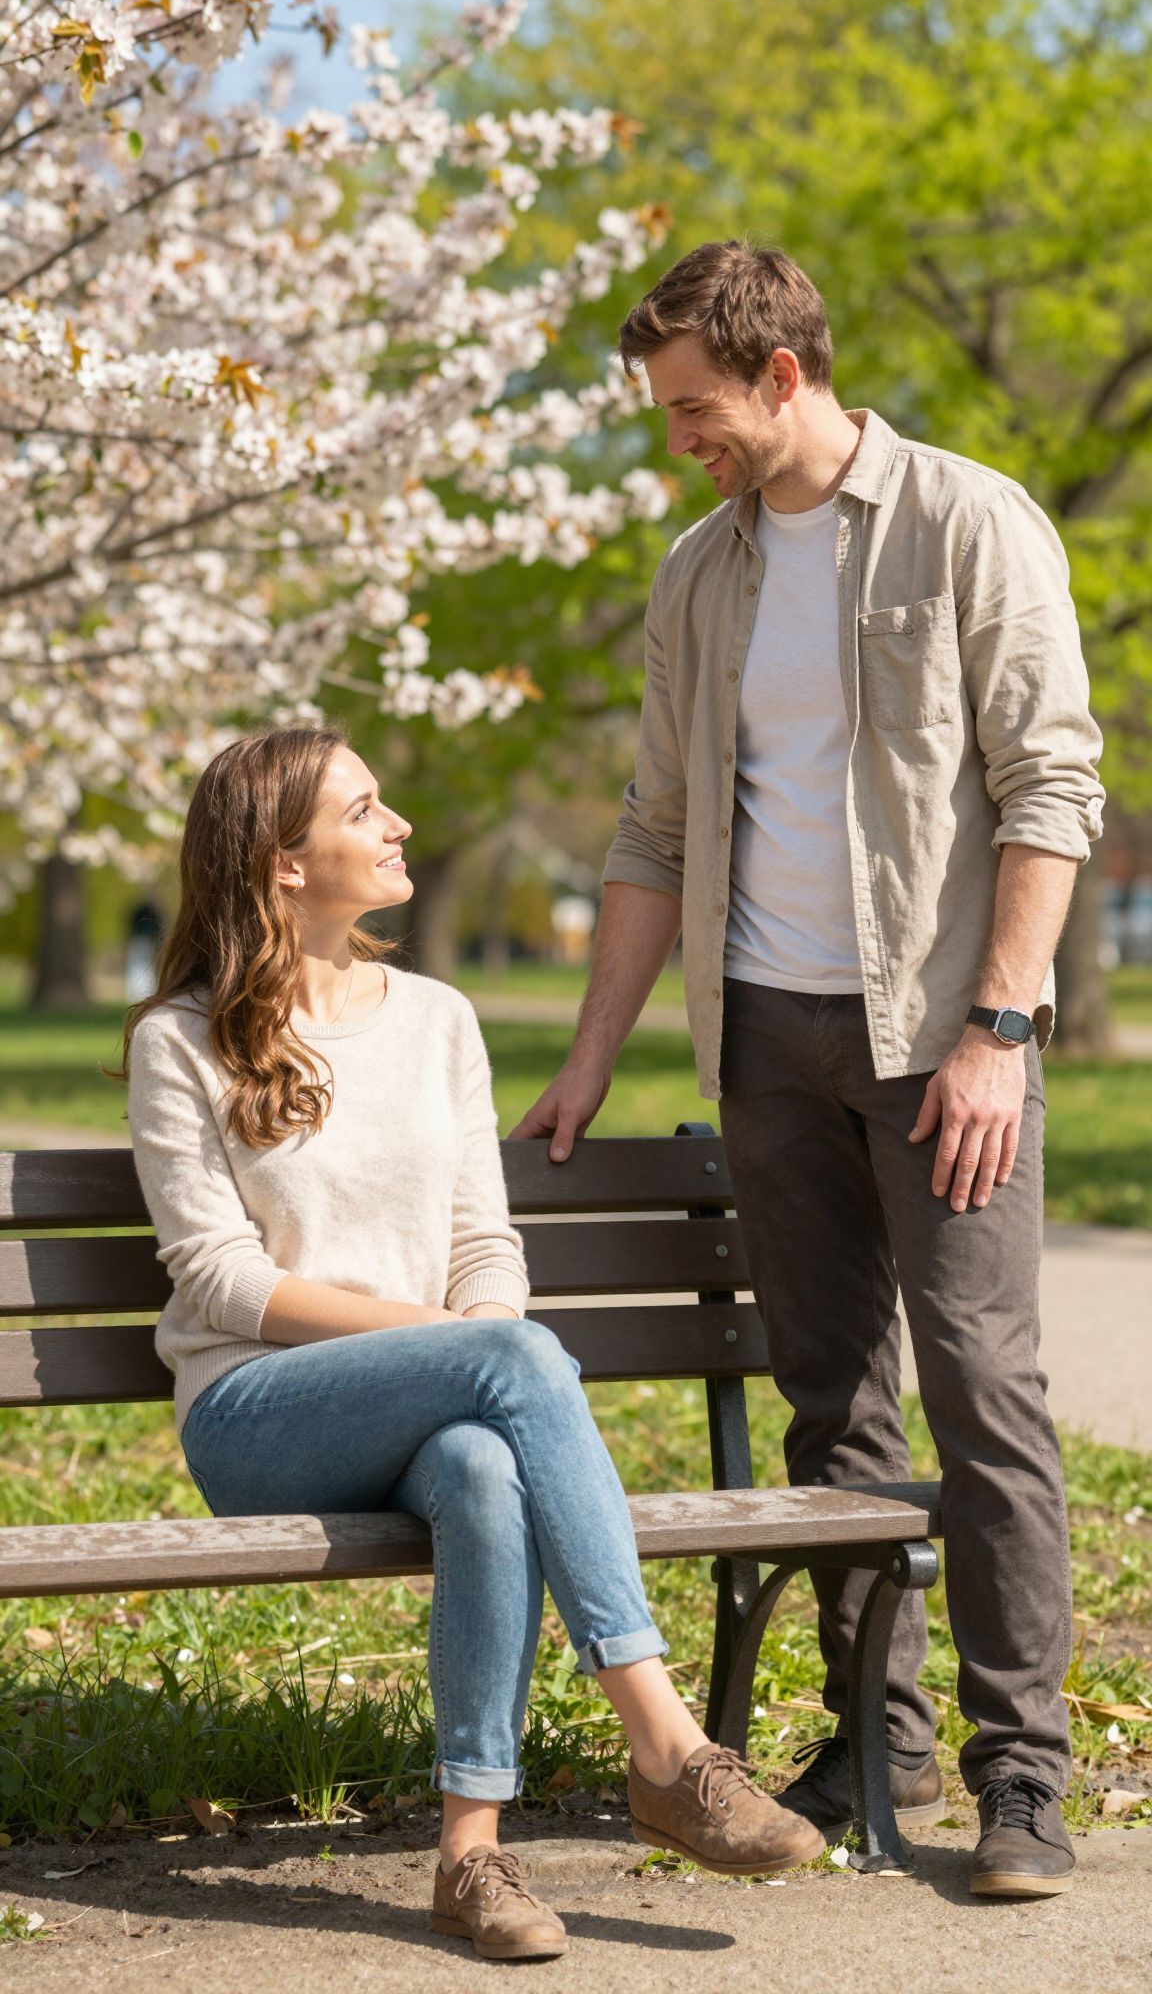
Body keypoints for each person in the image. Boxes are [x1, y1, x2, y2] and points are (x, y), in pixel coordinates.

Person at [513, 241, 1107, 1900]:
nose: (678, 442)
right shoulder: (696, 573)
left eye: (696, 409)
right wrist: (587, 1061)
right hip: (763, 1037)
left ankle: (1019, 1773)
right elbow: (652, 827)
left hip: (940, 1044)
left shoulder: (969, 521)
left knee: (984, 1397)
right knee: (832, 1402)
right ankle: (876, 1737)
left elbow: (1045, 784)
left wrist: (998, 1030)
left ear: (784, 374)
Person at [120, 725, 823, 1964]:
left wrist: (478, 1338)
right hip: (260, 1413)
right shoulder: (180, 1038)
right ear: (283, 864)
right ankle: (664, 1744)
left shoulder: (437, 1019)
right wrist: (465, 1343)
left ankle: (471, 1856)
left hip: (435, 1404)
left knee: (487, 1469)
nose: (398, 826)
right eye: (364, 808)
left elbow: (481, 1241)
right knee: (511, 1362)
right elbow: (223, 1280)